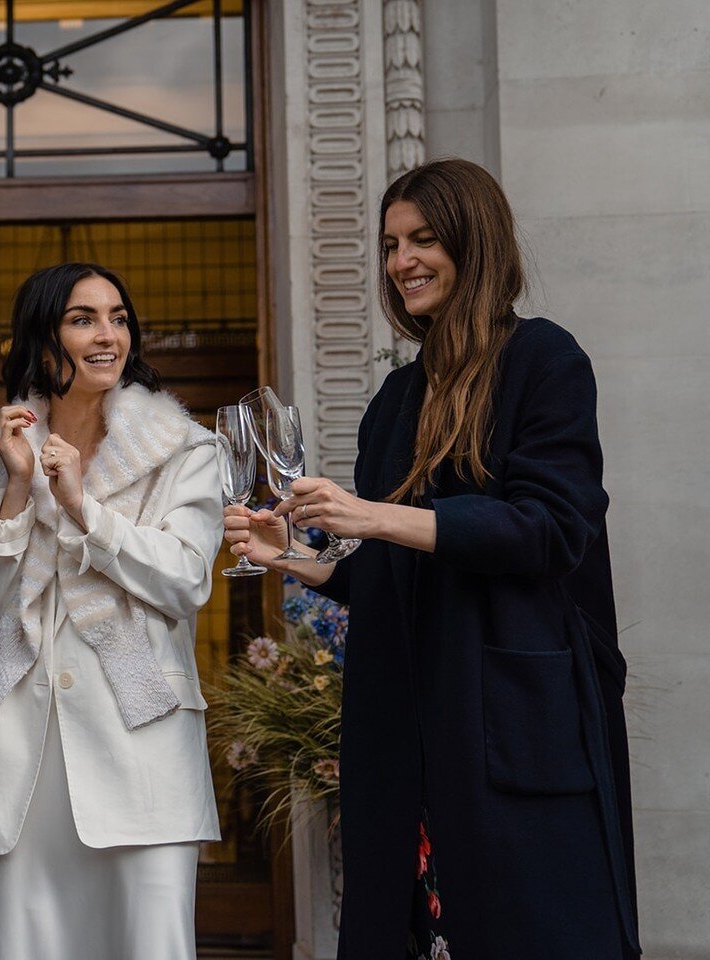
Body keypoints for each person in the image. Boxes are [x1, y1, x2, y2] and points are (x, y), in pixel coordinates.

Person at [224, 158, 640, 959]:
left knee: (531, 930)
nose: (401, 260)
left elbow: (552, 528)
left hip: (511, 729)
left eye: (422, 238)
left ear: (473, 242)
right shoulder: (395, 401)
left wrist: (375, 515)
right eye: (389, 244)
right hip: (403, 733)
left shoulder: (544, 362)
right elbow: (403, 571)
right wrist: (309, 564)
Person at [0, 263, 223, 960]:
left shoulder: (185, 451)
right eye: (83, 319)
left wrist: (80, 508)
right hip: (27, 758)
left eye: (118, 318)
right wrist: (18, 489)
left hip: (143, 751)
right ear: (43, 341)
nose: (108, 335)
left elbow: (187, 579)